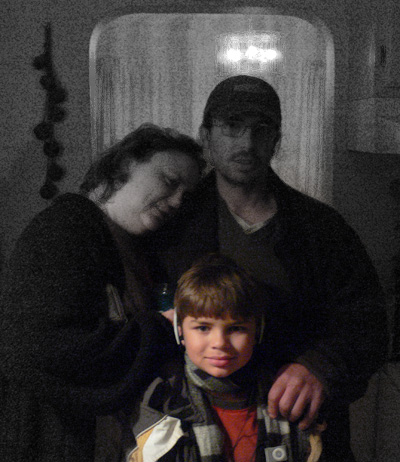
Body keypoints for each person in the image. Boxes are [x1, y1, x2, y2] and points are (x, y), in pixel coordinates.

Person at [146, 76, 389, 461]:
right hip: (190, 437)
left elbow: (368, 323)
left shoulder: (322, 228)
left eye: (261, 130)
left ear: (276, 139)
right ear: (205, 136)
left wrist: (320, 367)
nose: (246, 143)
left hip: (300, 437)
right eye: (232, 127)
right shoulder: (168, 224)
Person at [0, 123, 204, 462]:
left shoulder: (138, 250)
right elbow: (42, 345)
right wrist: (160, 331)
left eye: (186, 193)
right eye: (169, 181)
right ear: (125, 165)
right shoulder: (65, 228)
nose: (178, 200)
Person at [126, 253, 326, 462]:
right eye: (203, 327)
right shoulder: (161, 401)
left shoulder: (286, 399)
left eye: (236, 328)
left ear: (257, 331)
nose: (220, 343)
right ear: (180, 332)